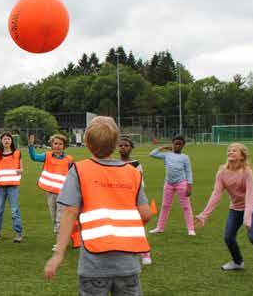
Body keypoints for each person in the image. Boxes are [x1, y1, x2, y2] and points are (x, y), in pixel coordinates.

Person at [44, 115, 151, 295]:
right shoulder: (133, 173)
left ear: (86, 142)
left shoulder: (79, 170)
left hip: (94, 266)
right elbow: (146, 215)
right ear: (117, 142)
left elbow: (68, 213)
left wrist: (58, 253)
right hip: (128, 264)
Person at [195, 142, 253, 279]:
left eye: (234, 150)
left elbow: (250, 194)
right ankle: (237, 262)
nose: (230, 152)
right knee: (228, 237)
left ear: (242, 156)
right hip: (235, 207)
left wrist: (247, 217)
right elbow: (216, 195)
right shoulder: (222, 172)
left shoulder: (247, 171)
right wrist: (204, 215)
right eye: (229, 150)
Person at [147, 134, 195, 235]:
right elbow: (152, 154)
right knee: (165, 206)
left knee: (186, 206)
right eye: (175, 144)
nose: (177, 146)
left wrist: (189, 185)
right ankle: (160, 227)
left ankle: (191, 229)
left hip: (181, 184)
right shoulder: (167, 155)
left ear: (183, 145)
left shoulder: (185, 157)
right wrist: (163, 147)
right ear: (172, 144)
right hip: (168, 184)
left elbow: (189, 171)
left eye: (180, 144)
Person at [28, 131, 74, 234]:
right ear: (52, 145)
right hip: (50, 192)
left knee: (60, 217)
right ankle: (61, 231)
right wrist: (31, 146)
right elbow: (34, 157)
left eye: (60, 144)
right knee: (53, 215)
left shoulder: (69, 159)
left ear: (64, 146)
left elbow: (73, 175)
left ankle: (59, 241)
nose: (58, 146)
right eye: (55, 143)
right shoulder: (47, 156)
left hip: (63, 193)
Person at [118, 136, 152, 267]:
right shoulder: (115, 163)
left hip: (133, 200)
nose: (123, 147)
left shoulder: (136, 164)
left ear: (131, 148)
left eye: (126, 145)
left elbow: (139, 184)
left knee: (138, 227)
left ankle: (145, 253)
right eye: (121, 145)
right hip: (120, 200)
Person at [0, 131, 24, 242]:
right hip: (0, 186)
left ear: (11, 141)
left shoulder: (17, 153)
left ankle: (18, 233)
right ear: (1, 141)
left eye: (8, 138)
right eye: (4, 139)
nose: (6, 140)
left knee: (14, 210)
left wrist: (20, 171)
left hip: (13, 186)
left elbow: (22, 169)